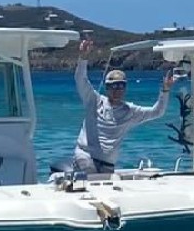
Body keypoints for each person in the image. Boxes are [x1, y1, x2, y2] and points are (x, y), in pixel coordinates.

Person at [70, 37, 173, 173]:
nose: (117, 90)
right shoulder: (94, 100)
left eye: (121, 85)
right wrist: (83, 57)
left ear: (125, 88)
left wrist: (165, 90)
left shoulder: (130, 111)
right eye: (113, 86)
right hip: (85, 157)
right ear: (107, 88)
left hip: (107, 164)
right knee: (89, 171)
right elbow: (80, 78)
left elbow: (157, 112)